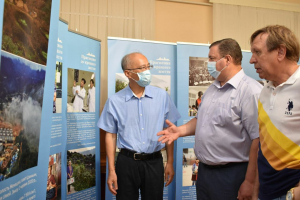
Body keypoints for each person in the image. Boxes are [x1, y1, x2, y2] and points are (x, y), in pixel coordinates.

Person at [158, 38, 262, 200]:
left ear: (227, 59)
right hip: (206, 173)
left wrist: (250, 181)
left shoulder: (250, 91)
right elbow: (200, 120)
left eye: (212, 58)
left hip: (233, 174)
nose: (208, 63)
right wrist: (179, 131)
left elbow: (258, 140)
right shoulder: (213, 88)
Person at [98, 52, 181, 200]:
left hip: (154, 162)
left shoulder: (162, 97)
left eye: (148, 67)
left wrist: (170, 161)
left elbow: (169, 131)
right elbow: (110, 135)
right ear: (128, 73)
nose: (147, 71)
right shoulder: (115, 101)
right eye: (142, 68)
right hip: (126, 163)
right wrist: (111, 170)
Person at [250, 25, 300, 200]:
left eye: (257, 52)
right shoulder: (265, 90)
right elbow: (264, 147)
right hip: (267, 191)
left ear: (280, 52)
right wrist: (256, 192)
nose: (251, 60)